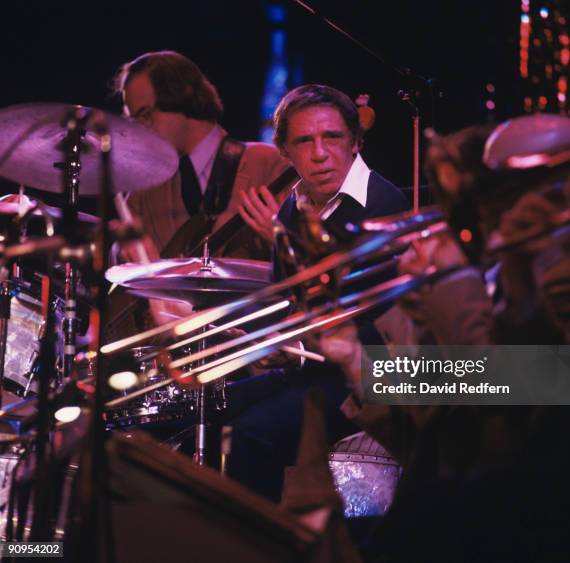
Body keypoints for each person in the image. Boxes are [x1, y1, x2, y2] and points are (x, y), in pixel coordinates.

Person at [222, 84, 407, 502]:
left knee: (255, 434)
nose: (320, 153)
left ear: (355, 141)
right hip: (314, 366)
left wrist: (283, 238)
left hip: (369, 372)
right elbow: (288, 301)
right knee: (210, 403)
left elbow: (351, 313)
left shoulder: (381, 202)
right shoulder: (295, 205)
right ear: (285, 152)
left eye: (333, 138)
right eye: (304, 141)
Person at [114, 50, 291, 260]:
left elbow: (303, 255)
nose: (141, 130)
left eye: (145, 114)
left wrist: (279, 238)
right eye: (134, 121)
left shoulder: (269, 163)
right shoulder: (142, 191)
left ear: (180, 96)